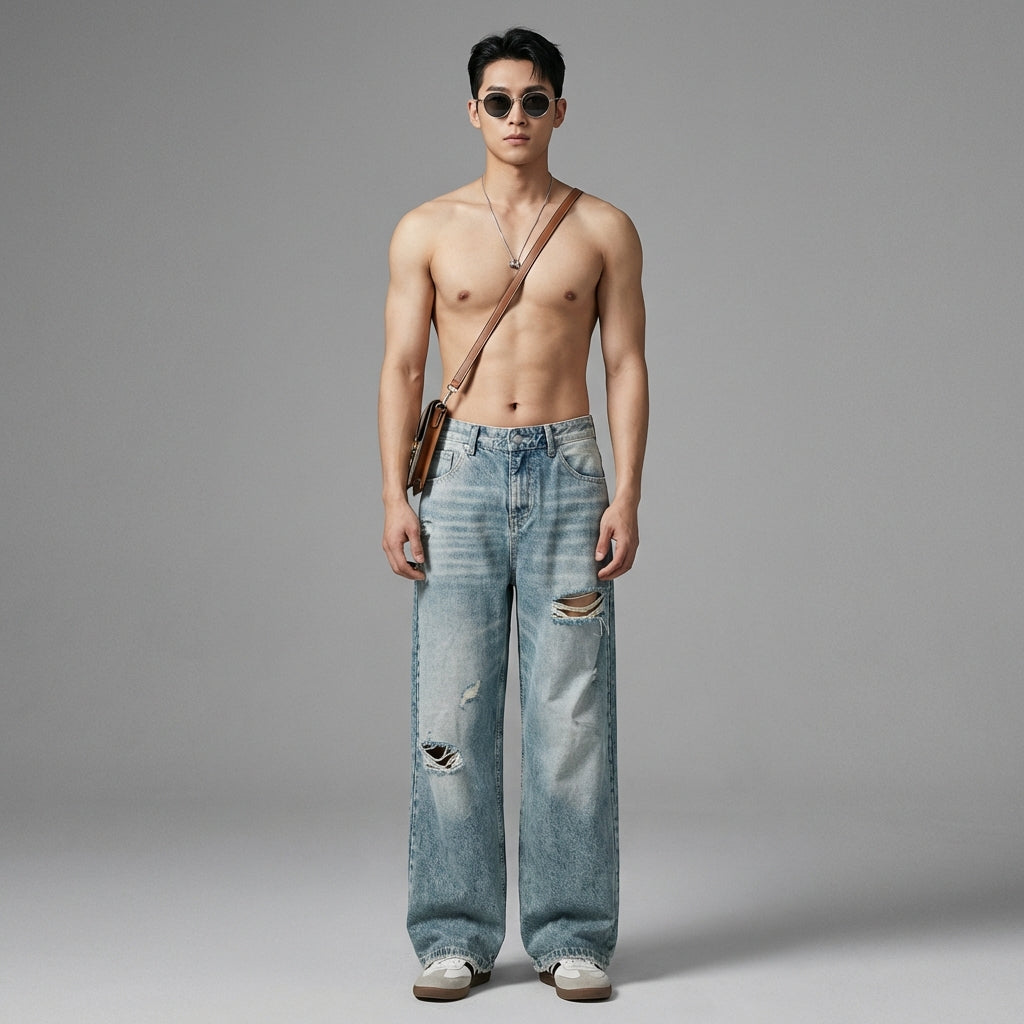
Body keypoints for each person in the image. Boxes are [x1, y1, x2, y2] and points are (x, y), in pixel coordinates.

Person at [378, 27, 647, 1003]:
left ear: (559, 110)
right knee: (449, 711)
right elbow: (403, 367)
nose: (516, 117)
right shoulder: (426, 228)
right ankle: (453, 933)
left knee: (570, 715)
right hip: (458, 479)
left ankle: (572, 933)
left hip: (568, 473)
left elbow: (625, 363)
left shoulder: (603, 228)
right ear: (473, 111)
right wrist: (392, 495)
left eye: (534, 100)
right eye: (499, 101)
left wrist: (627, 491)